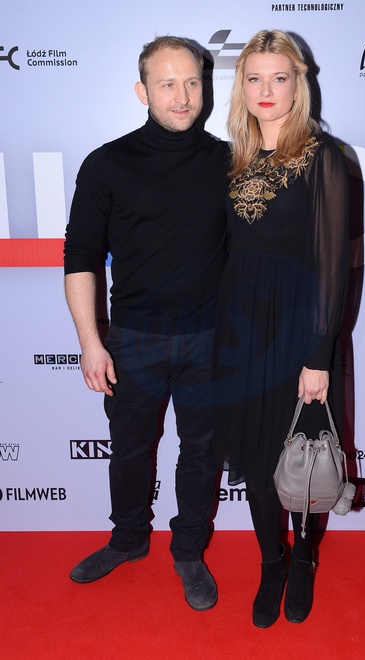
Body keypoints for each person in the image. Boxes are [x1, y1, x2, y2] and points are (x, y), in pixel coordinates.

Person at [64, 36, 230, 611]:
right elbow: (80, 256)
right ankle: (129, 538)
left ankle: (189, 551)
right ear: (143, 91)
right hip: (133, 339)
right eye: (168, 84)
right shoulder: (107, 164)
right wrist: (90, 342)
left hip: (209, 339)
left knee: (201, 452)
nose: (182, 96)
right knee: (130, 449)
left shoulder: (229, 163)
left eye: (192, 82)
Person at [213, 30, 349, 627]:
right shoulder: (231, 160)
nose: (266, 89)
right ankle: (273, 561)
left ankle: (306, 559)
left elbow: (330, 266)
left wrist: (318, 355)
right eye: (254, 78)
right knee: (257, 452)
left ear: (299, 84)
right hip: (240, 333)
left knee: (302, 455)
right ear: (240, 86)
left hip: (299, 330)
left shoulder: (323, 158)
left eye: (279, 77)